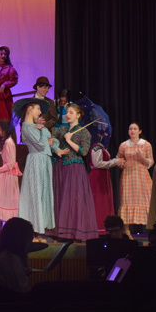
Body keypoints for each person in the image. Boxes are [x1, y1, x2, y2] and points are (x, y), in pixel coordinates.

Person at [47, 103, 97, 241]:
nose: (67, 115)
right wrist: (52, 141)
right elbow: (50, 137)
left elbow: (84, 151)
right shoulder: (62, 128)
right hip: (60, 167)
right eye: (67, 112)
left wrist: (69, 140)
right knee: (59, 198)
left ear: (78, 115)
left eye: (71, 113)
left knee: (72, 200)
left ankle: (72, 233)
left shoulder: (84, 132)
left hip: (74, 168)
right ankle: (57, 231)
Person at [15, 98, 55, 235]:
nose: (39, 112)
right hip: (35, 161)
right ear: (29, 109)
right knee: (35, 194)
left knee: (42, 194)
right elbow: (41, 145)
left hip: (42, 161)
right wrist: (43, 131)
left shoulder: (33, 127)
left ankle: (39, 229)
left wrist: (43, 132)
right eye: (38, 109)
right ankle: (32, 230)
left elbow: (49, 141)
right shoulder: (26, 127)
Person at [116, 122, 154, 236]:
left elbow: (151, 162)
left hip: (142, 175)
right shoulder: (124, 145)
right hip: (128, 176)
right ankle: (126, 231)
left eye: (135, 129)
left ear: (140, 131)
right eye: (130, 129)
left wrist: (142, 158)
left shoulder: (146, 145)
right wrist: (122, 163)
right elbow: (118, 159)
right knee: (126, 201)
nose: (132, 131)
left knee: (147, 201)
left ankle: (152, 232)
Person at [0, 217, 34, 293]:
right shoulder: (11, 258)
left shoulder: (5, 254)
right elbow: (21, 290)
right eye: (28, 238)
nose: (30, 241)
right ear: (20, 238)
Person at [0, 120, 22, 222]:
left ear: (5, 129)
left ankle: (10, 226)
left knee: (8, 200)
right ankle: (8, 226)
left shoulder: (9, 142)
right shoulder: (7, 141)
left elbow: (11, 163)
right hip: (6, 174)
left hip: (9, 175)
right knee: (4, 200)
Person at [0, 45, 18, 122]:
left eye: (5, 54)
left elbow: (14, 80)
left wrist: (5, 84)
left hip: (3, 93)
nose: (3, 56)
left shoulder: (10, 68)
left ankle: (4, 132)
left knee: (4, 115)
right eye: (1, 54)